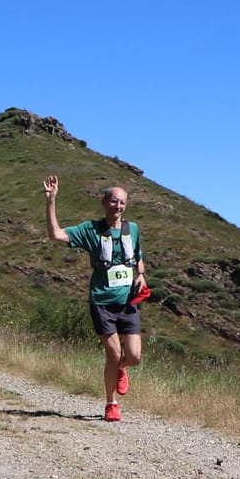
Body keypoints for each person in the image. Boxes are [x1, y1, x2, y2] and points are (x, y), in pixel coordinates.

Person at [43, 175, 146, 421]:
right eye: (113, 201)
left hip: (128, 303)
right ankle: (111, 404)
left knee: (133, 357)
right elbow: (55, 234)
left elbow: (138, 257)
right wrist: (51, 201)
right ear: (104, 202)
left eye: (122, 202)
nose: (118, 206)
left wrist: (141, 274)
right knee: (112, 353)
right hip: (101, 302)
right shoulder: (90, 230)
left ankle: (122, 368)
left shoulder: (133, 230)